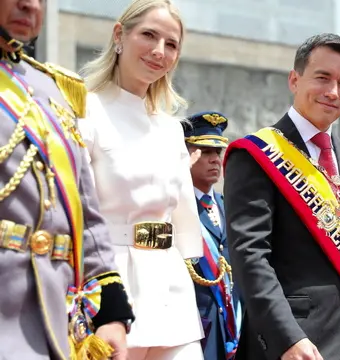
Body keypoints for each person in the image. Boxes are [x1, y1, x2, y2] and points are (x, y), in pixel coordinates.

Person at [223, 33, 340, 360]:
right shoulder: (256, 155)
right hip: (290, 344)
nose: (333, 92)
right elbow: (250, 257)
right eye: (322, 78)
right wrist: (286, 337)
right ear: (294, 80)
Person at [0, 0, 134, 359]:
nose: (30, 4)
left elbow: (86, 211)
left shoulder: (52, 89)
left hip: (55, 324)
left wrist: (111, 312)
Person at [77, 0, 204, 358]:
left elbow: (183, 226)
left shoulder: (171, 129)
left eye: (172, 44)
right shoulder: (82, 110)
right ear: (119, 35)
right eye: (149, 35)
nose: (159, 51)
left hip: (170, 290)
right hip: (107, 284)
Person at [183, 111, 243, 360]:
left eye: (217, 153)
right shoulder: (177, 206)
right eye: (205, 152)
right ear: (186, 154)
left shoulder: (227, 205)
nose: (214, 160)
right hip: (196, 326)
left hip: (232, 326)